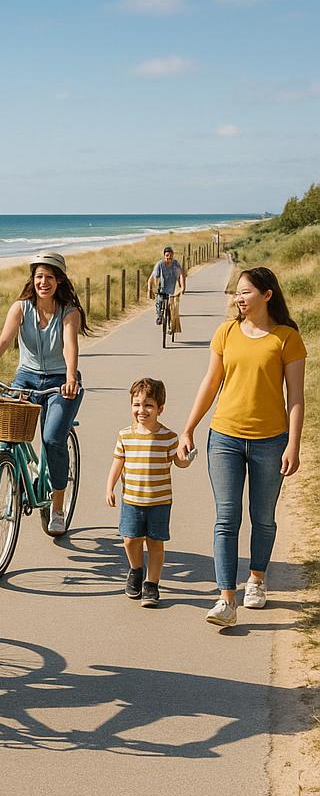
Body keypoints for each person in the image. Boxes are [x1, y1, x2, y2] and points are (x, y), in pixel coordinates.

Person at [179, 268, 306, 628]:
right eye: (236, 292)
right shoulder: (227, 332)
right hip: (224, 438)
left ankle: (257, 579)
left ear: (267, 295)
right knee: (226, 517)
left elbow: (295, 397)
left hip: (271, 441)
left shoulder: (286, 338)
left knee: (262, 518)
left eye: (246, 292)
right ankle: (225, 599)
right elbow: (211, 382)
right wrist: (189, 428)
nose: (239, 298)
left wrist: (293, 444)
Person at [0, 251, 88, 534]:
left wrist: (71, 377)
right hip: (26, 376)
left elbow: (69, 346)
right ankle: (10, 469)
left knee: (51, 439)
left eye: (49, 277)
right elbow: (4, 339)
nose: (43, 282)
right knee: (6, 433)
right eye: (38, 277)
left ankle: (57, 509)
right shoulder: (21, 308)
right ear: (32, 280)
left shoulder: (68, 312)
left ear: (59, 280)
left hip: (60, 380)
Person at [105, 378, 192, 607]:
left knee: (155, 543)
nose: (141, 410)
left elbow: (178, 462)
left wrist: (186, 458)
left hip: (159, 501)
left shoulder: (168, 437)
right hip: (131, 499)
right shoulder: (125, 435)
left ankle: (151, 584)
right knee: (130, 540)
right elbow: (118, 462)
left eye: (148, 405)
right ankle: (135, 569)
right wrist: (109, 486)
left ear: (160, 409)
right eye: (136, 404)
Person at [148, 246, 186, 326]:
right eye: (167, 255)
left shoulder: (175, 264)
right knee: (159, 302)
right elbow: (152, 277)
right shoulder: (160, 264)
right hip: (162, 289)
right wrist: (150, 288)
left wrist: (182, 287)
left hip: (172, 290)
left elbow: (181, 275)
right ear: (164, 256)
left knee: (172, 308)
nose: (169, 257)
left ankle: (171, 326)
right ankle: (159, 316)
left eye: (171, 255)